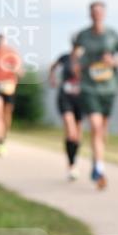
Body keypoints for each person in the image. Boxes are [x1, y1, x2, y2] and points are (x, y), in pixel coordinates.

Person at [73, 1, 118, 189]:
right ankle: (98, 168)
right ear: (90, 14)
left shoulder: (113, 35)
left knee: (103, 130)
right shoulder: (83, 35)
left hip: (109, 88)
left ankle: (99, 159)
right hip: (89, 87)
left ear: (104, 14)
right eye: (93, 12)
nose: (96, 14)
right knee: (96, 127)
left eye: (99, 11)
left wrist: (114, 61)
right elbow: (75, 56)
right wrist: (77, 66)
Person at [48, 46, 83, 180]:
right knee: (71, 132)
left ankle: (73, 161)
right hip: (65, 98)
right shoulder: (65, 57)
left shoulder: (87, 59)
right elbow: (53, 66)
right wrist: (52, 78)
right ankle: (71, 165)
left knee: (77, 136)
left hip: (80, 100)